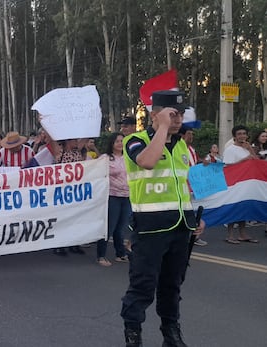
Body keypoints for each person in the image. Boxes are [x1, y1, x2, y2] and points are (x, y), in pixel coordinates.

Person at [120, 90, 204, 347]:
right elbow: (147, 161)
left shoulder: (182, 146)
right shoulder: (134, 141)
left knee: (172, 286)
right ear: (155, 115)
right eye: (172, 114)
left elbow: (188, 185)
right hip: (151, 228)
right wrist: (163, 128)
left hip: (181, 227)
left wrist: (197, 216)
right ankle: (133, 333)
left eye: (180, 114)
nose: (178, 119)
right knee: (143, 285)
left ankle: (171, 332)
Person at [96, 133, 130, 267]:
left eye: (122, 141)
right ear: (112, 143)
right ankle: (101, 255)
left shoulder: (127, 157)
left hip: (127, 196)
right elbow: (96, 173)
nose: (120, 144)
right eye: (117, 141)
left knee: (121, 228)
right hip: (112, 195)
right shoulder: (105, 158)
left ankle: (120, 253)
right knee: (109, 227)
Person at [222, 125, 259, 244]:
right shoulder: (230, 149)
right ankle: (230, 234)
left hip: (246, 184)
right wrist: (243, 161)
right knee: (234, 208)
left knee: (244, 208)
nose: (242, 136)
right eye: (239, 134)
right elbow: (227, 166)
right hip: (235, 183)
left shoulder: (247, 148)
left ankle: (243, 234)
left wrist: (250, 150)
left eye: (244, 133)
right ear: (234, 136)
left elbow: (256, 162)